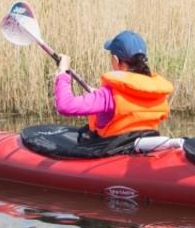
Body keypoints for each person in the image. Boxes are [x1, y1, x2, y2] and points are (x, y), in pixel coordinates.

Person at [53, 29, 181, 153]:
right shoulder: (155, 92)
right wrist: (98, 96)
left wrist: (63, 72)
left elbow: (65, 105)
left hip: (115, 150)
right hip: (146, 145)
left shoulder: (108, 96)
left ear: (115, 59)